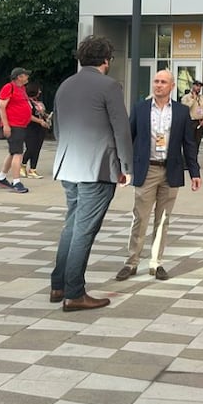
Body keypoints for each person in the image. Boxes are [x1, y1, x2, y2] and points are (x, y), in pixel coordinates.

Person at [50, 35, 132, 311]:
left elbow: (57, 128)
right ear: (106, 60)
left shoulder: (65, 85)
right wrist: (126, 167)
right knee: (84, 230)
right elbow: (121, 128)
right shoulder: (109, 86)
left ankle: (58, 284)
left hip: (68, 165)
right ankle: (74, 293)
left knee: (71, 225)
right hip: (97, 168)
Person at [116, 69, 200, 282]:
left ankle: (156, 262)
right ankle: (132, 261)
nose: (158, 85)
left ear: (172, 86)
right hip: (147, 170)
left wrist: (195, 172)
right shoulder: (140, 108)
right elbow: (128, 138)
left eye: (163, 82)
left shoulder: (181, 111)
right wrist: (124, 168)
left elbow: (189, 144)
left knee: (163, 219)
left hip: (171, 170)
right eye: (156, 81)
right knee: (140, 216)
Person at [0, 67, 32, 193]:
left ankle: (1, 177)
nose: (27, 77)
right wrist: (6, 125)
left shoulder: (22, 89)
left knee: (13, 152)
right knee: (18, 153)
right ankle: (16, 181)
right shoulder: (8, 87)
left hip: (20, 125)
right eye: (25, 75)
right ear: (19, 77)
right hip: (13, 125)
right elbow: (1, 107)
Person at [20, 85, 51, 177]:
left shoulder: (39, 103)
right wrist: (40, 121)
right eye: (38, 90)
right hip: (30, 127)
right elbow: (27, 115)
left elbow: (41, 113)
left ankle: (33, 169)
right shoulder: (27, 102)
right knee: (31, 148)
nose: (40, 92)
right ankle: (22, 165)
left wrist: (46, 117)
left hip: (40, 128)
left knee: (37, 148)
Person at [181, 80, 203, 152]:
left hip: (199, 123)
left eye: (200, 87)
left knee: (197, 143)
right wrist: (193, 99)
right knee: (189, 143)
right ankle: (187, 161)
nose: (198, 88)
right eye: (197, 86)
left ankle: (194, 159)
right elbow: (185, 108)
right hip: (190, 122)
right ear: (193, 86)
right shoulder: (186, 98)